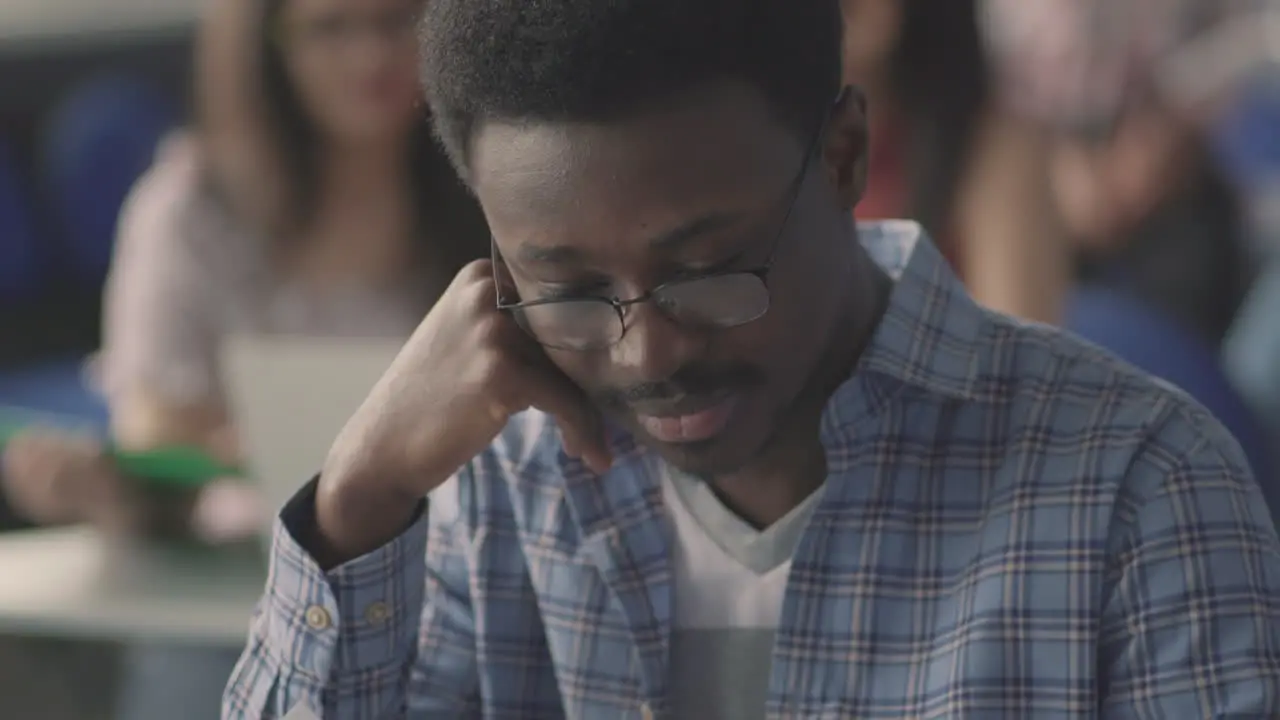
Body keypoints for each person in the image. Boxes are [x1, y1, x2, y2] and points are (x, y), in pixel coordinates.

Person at [225, 0, 1280, 717]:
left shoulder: (1140, 489)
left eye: (707, 267)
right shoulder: (497, 481)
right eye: (571, 287)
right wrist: (356, 498)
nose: (646, 353)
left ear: (842, 159)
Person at [1, 0, 487, 717]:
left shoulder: (493, 189)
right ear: (268, 48)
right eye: (331, 29)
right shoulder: (192, 211)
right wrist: (107, 489)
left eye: (398, 21)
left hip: (467, 578)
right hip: (245, 588)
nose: (370, 56)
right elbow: (165, 459)